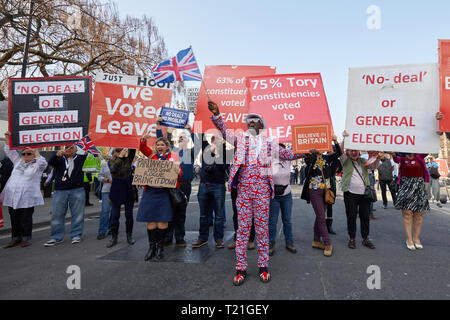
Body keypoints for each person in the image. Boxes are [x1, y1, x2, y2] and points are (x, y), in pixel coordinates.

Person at [208, 100, 307, 286]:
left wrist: (305, 153)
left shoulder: (269, 143)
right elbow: (224, 131)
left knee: (262, 230)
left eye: (255, 120)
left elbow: (287, 154)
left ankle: (263, 266)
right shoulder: (240, 139)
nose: (251, 122)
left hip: (262, 192)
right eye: (249, 120)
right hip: (244, 192)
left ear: (262, 125)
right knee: (243, 231)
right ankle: (241, 268)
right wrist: (217, 114)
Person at [137, 135, 182, 261]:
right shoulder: (152, 156)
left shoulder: (173, 157)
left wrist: (178, 172)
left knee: (162, 221)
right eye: (158, 145)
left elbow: (179, 172)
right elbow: (142, 147)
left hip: (164, 193)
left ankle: (159, 248)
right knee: (151, 221)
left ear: (167, 146)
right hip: (150, 192)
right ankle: (151, 248)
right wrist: (143, 140)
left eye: (162, 145)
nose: (159, 147)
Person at [156, 116, 198, 248]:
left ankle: (180, 238)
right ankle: (168, 237)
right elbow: (161, 142)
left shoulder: (191, 153)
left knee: (181, 212)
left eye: (183, 138)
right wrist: (158, 126)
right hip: (171, 185)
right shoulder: (172, 152)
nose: (181, 139)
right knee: (169, 211)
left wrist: (190, 131)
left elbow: (198, 143)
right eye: (179, 138)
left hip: (185, 186)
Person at [2, 131, 47, 248]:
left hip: (27, 197)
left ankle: (25, 237)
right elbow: (9, 151)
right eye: (24, 154)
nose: (26, 156)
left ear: (33, 155)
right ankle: (15, 238)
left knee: (25, 218)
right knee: (14, 217)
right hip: (12, 195)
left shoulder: (37, 165)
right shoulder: (19, 163)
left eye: (29, 154)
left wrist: (35, 151)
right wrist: (7, 137)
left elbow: (43, 163)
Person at [301, 135, 342, 257]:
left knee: (320, 216)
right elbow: (308, 161)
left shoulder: (327, 158)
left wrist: (335, 140)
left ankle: (316, 240)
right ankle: (328, 243)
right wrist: (312, 152)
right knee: (321, 217)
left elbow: (338, 152)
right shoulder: (310, 158)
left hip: (326, 191)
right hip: (314, 191)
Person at [340, 131, 380, 250]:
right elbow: (340, 151)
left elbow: (373, 166)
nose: (353, 152)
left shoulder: (363, 161)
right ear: (348, 151)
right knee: (351, 216)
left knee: (365, 216)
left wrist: (377, 157)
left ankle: (365, 238)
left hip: (364, 194)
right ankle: (352, 238)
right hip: (350, 193)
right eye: (351, 150)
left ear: (359, 151)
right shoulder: (345, 161)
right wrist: (344, 139)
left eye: (356, 150)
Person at [44, 144, 88, 246]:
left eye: (71, 147)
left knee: (78, 215)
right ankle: (56, 237)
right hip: (60, 190)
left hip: (77, 190)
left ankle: (76, 235)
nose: (68, 149)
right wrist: (57, 155)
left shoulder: (81, 158)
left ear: (76, 150)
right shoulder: (60, 159)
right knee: (57, 215)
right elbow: (50, 163)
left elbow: (89, 149)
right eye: (67, 147)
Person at [192, 132, 229, 249]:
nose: (214, 141)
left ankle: (218, 239)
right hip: (204, 185)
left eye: (217, 139)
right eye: (213, 139)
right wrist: (191, 128)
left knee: (218, 216)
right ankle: (202, 238)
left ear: (221, 141)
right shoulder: (206, 149)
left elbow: (224, 167)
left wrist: (217, 154)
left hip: (218, 186)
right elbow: (199, 138)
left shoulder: (226, 152)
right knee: (203, 215)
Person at [393, 152, 430, 250]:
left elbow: (428, 149)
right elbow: (396, 159)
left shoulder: (420, 155)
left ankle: (416, 238)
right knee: (407, 213)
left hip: (419, 185)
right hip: (406, 186)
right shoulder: (402, 156)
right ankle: (409, 239)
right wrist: (393, 152)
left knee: (419, 214)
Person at [268, 143, 298, 256]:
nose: (282, 152)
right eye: (279, 150)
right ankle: (271, 243)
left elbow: (296, 149)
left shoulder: (288, 160)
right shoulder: (270, 161)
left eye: (283, 150)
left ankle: (289, 242)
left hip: (287, 194)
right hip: (274, 196)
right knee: (272, 221)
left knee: (287, 220)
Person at [107, 147, 137, 247]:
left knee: (129, 215)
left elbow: (133, 149)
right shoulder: (111, 161)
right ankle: (114, 237)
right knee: (115, 215)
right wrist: (120, 157)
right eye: (118, 151)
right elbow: (113, 169)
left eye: (122, 150)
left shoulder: (128, 160)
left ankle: (129, 236)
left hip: (128, 189)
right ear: (114, 152)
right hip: (117, 189)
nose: (121, 152)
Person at [325, 147, 342, 235]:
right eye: (330, 150)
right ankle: (322, 225)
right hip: (323, 183)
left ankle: (329, 226)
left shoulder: (337, 160)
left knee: (330, 204)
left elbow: (340, 169)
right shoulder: (324, 158)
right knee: (322, 205)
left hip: (331, 183)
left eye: (333, 150)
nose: (331, 152)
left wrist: (335, 174)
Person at [97, 156, 113, 240]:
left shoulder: (121, 164)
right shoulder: (105, 165)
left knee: (114, 211)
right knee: (105, 211)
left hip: (117, 191)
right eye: (114, 153)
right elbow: (99, 177)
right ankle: (102, 231)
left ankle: (111, 228)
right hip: (106, 190)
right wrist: (107, 180)